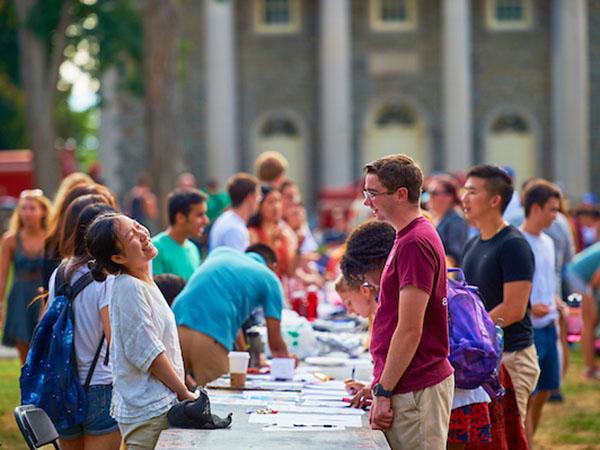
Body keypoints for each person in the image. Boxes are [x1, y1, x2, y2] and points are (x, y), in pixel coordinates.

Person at [360, 154, 454, 450]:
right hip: (409, 385)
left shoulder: (414, 242)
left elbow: (410, 328)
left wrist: (384, 391)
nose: (366, 202)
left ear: (401, 195)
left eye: (372, 194)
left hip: (416, 388)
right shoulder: (407, 236)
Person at [86, 213, 195, 449]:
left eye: (137, 226)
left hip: (161, 405)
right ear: (118, 257)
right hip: (150, 412)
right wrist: (185, 393)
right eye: (131, 236)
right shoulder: (128, 288)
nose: (142, 234)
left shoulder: (143, 281)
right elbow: (149, 354)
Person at [461, 164, 539, 425]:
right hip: (482, 356)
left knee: (511, 436)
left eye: (472, 191)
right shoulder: (473, 243)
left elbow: (514, 309)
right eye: (465, 190)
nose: (464, 198)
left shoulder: (513, 245)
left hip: (512, 358)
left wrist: (470, 332)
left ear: (495, 200)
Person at [50, 200, 121, 449]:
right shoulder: (106, 278)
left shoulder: (60, 272)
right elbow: (114, 340)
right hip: (100, 384)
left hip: (63, 383)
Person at [172, 244, 292, 386]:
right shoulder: (270, 279)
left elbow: (226, 312)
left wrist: (243, 355)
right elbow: (276, 345)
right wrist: (288, 362)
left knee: (174, 396)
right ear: (273, 266)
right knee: (220, 401)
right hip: (211, 335)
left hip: (176, 324)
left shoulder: (222, 252)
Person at [519, 181, 562, 445]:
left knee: (546, 390)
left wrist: (556, 301)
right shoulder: (519, 242)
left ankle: (528, 439)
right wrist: (529, 306)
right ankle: (527, 442)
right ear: (535, 208)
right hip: (529, 330)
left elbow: (548, 279)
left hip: (549, 324)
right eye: (552, 209)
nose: (556, 215)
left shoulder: (548, 241)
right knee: (529, 395)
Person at [0, 189, 52, 364]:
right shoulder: (10, 240)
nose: (27, 213)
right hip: (20, 296)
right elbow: (3, 276)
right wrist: (0, 304)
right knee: (25, 355)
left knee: (44, 349)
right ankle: (27, 389)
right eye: (23, 208)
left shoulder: (50, 238)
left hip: (43, 294)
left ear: (42, 210)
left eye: (32, 208)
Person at [152, 189, 209, 281]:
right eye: (199, 215)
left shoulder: (193, 248)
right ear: (180, 218)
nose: (206, 220)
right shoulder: (155, 249)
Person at [565, 241, 600, 380]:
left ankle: (591, 366)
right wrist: (591, 298)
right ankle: (590, 368)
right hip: (576, 278)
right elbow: (596, 280)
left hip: (577, 276)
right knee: (588, 322)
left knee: (589, 321)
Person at [248, 185, 298, 279]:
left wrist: (299, 248)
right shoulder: (252, 233)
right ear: (260, 206)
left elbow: (290, 272)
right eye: (270, 202)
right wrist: (271, 243)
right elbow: (257, 268)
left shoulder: (284, 233)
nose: (276, 207)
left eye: (278, 201)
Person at [208, 173, 260, 252]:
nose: (259, 201)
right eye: (258, 196)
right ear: (250, 197)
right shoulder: (234, 229)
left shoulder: (227, 219)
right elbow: (238, 263)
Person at [426, 174, 469, 267]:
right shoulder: (433, 217)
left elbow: (455, 256)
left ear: (449, 197)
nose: (429, 197)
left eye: (433, 193)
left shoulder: (456, 220)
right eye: (427, 192)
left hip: (448, 276)